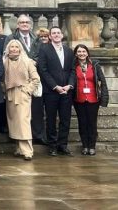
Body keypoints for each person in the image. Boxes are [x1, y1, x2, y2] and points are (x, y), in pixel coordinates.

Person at [38, 26, 75, 156]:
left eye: (58, 33)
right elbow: (43, 70)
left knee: (65, 119)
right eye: (53, 33)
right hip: (51, 91)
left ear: (62, 35)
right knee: (51, 119)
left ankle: (62, 145)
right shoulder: (44, 50)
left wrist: (69, 85)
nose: (56, 35)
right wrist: (55, 86)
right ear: (50, 36)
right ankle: (52, 145)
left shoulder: (69, 51)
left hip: (66, 91)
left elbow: (72, 70)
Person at [3, 39, 41, 161]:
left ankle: (27, 151)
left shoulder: (27, 61)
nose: (14, 49)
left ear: (20, 49)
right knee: (14, 122)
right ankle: (19, 148)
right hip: (10, 94)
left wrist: (27, 90)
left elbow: (36, 78)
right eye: (11, 47)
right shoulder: (4, 61)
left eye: (16, 47)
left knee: (23, 122)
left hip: (22, 93)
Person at [73, 44, 109, 156]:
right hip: (79, 99)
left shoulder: (95, 65)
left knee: (92, 123)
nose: (81, 54)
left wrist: (104, 99)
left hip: (93, 99)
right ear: (76, 54)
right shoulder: (73, 66)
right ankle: (85, 146)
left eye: (83, 51)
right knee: (82, 123)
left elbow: (102, 82)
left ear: (87, 53)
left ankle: (92, 146)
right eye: (79, 52)